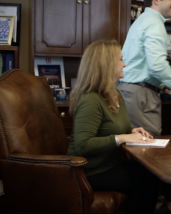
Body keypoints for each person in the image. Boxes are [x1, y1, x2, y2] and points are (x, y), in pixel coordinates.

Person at [67, 39, 159, 213]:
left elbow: (113, 129)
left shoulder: (115, 94)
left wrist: (132, 131)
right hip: (88, 171)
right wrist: (123, 137)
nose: (124, 64)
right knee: (146, 180)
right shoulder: (91, 100)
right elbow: (83, 144)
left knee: (152, 171)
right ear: (107, 64)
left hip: (111, 164)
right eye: (120, 59)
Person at [117, 0, 171, 136]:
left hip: (130, 91)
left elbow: (142, 62)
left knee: (135, 148)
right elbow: (156, 65)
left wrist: (165, 80)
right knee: (148, 149)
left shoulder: (142, 20)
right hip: (140, 95)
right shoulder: (154, 23)